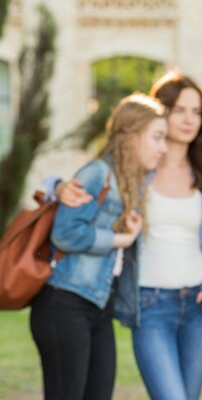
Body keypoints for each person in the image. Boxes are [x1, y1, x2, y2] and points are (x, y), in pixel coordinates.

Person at [55, 72, 202, 400]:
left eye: (196, 112)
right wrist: (54, 187)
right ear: (160, 112)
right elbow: (91, 178)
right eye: (179, 110)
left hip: (199, 306)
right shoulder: (137, 168)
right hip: (150, 306)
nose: (188, 120)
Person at [30, 93, 168, 400]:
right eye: (157, 138)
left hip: (98, 306)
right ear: (131, 136)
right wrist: (121, 239)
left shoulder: (131, 181)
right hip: (64, 302)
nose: (163, 148)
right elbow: (65, 233)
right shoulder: (98, 173)